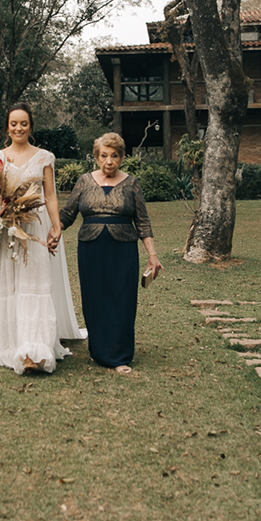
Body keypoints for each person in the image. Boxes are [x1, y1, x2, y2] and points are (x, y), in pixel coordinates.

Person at [0, 103, 85, 374]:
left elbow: (51, 196)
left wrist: (57, 226)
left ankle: (35, 346)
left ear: (31, 126)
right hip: (6, 229)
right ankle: (8, 342)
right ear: (7, 127)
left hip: (35, 226)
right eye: (14, 124)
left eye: (24, 123)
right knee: (9, 283)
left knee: (35, 282)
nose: (19, 128)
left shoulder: (45, 157)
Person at [58, 132, 162, 373]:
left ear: (122, 157)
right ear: (96, 157)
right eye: (104, 156)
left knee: (122, 299)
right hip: (91, 249)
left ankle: (120, 356)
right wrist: (52, 232)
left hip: (123, 250)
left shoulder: (132, 183)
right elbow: (67, 215)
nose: (109, 161)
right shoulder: (84, 181)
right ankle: (99, 351)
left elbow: (143, 222)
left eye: (114, 156)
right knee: (95, 299)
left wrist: (152, 255)